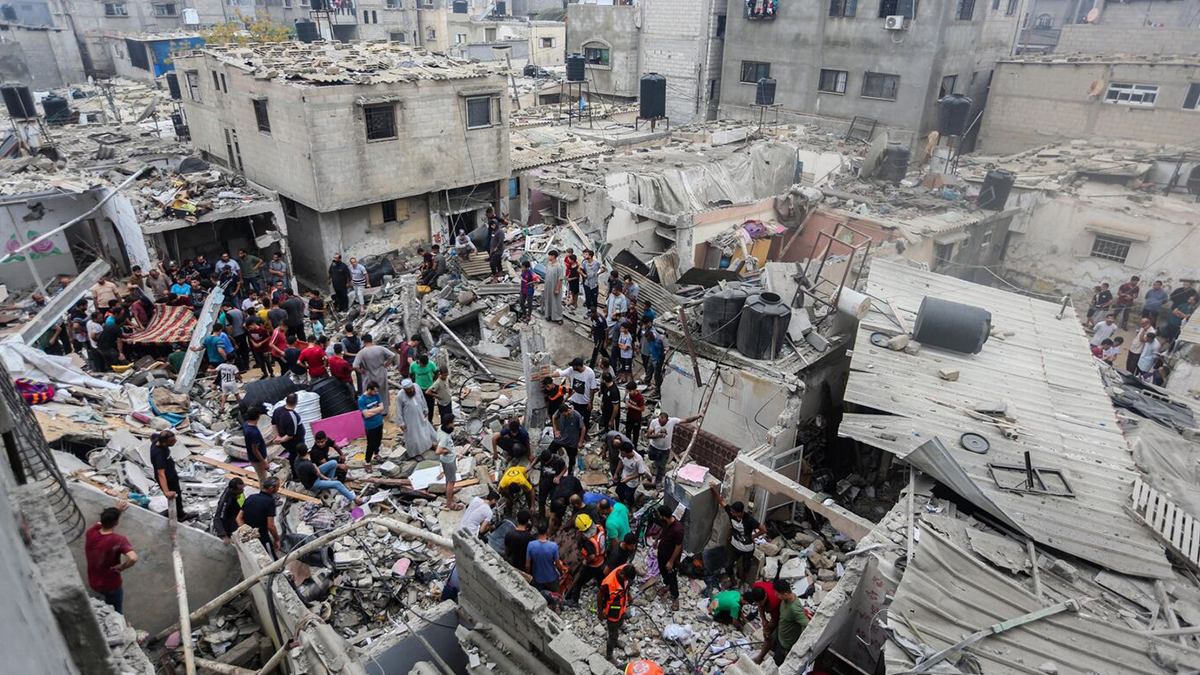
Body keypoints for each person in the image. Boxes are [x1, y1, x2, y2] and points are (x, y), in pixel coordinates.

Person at [85, 504, 137, 613]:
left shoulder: (91, 533)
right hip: (111, 585)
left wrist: (116, 510)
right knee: (117, 612)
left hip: (93, 582)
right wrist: (122, 567)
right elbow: (133, 558)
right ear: (117, 523)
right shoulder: (119, 540)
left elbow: (100, 524)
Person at [711, 484, 766, 584]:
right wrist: (715, 490)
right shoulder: (731, 513)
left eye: (734, 512)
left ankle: (743, 581)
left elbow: (763, 529)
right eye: (731, 511)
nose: (731, 513)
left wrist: (753, 536)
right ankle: (733, 581)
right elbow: (721, 501)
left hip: (747, 548)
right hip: (735, 545)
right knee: (728, 565)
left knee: (746, 566)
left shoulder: (749, 520)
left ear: (740, 513)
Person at [294, 446, 363, 505]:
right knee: (337, 483)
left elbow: (314, 467)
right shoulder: (306, 464)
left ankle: (330, 484)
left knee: (333, 463)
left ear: (298, 453)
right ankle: (355, 499)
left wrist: (315, 467)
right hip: (313, 484)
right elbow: (319, 474)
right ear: (306, 451)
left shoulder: (297, 459)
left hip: (311, 476)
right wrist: (326, 478)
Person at [647, 412, 701, 485]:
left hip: (665, 449)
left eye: (662, 422)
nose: (660, 423)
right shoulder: (654, 422)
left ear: (667, 420)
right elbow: (648, 435)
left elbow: (686, 420)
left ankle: (658, 482)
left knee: (661, 466)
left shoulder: (672, 421)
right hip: (654, 447)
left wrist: (698, 416)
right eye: (659, 421)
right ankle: (656, 461)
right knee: (651, 457)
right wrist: (657, 436)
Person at [599, 564, 637, 662]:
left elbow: (626, 587)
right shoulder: (608, 583)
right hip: (612, 612)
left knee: (620, 624)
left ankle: (614, 640)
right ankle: (609, 656)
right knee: (613, 635)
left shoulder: (626, 568)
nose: (627, 581)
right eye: (627, 579)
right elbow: (599, 597)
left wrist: (629, 595)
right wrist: (600, 612)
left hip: (621, 608)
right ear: (622, 575)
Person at [567, 514, 607, 602]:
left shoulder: (588, 541)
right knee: (601, 580)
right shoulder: (599, 528)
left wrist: (586, 561)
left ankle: (574, 601)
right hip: (602, 561)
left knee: (578, 581)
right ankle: (606, 598)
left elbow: (592, 556)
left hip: (592, 565)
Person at [353, 333, 396, 414]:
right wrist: (386, 364)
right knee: (383, 391)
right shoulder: (380, 348)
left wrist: (361, 371)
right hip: (381, 372)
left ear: (364, 341)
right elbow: (392, 355)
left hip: (368, 375)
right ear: (371, 340)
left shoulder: (361, 353)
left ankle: (372, 410)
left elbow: (355, 366)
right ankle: (384, 410)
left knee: (370, 393)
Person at [239, 477, 282, 556]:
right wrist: (277, 539)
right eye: (278, 487)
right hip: (263, 538)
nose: (278, 490)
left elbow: (238, 518)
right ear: (271, 488)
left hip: (249, 538)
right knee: (271, 560)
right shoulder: (270, 502)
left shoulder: (250, 497)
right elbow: (270, 525)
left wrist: (246, 532)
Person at [395, 378, 437, 459]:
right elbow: (398, 410)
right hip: (409, 419)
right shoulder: (400, 395)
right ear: (404, 389)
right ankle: (415, 454)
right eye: (408, 390)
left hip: (420, 414)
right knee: (413, 436)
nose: (411, 391)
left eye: (411, 389)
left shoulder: (417, 387)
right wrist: (401, 423)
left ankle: (428, 446)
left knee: (424, 431)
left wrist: (425, 409)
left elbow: (422, 398)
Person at [151, 430, 187, 519]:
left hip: (171, 474)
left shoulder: (156, 439)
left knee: (178, 494)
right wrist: (167, 491)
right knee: (175, 497)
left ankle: (177, 512)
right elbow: (161, 474)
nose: (175, 441)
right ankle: (180, 515)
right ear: (164, 443)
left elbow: (152, 435)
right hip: (168, 479)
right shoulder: (160, 454)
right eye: (172, 441)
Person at [656, 504, 685, 610]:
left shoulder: (678, 529)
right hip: (662, 552)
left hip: (671, 557)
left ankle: (675, 597)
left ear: (663, 516)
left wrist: (671, 561)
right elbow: (663, 530)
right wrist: (656, 540)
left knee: (672, 577)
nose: (658, 516)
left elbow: (678, 547)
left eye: (659, 515)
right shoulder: (665, 522)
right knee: (663, 571)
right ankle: (667, 585)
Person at [773, 581, 809, 665]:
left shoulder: (795, 609)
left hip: (785, 644)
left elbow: (807, 625)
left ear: (785, 594)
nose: (776, 595)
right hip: (780, 634)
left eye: (777, 594)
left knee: (776, 664)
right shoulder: (785, 600)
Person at [526, 521, 566, 593]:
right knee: (556, 595)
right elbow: (557, 564)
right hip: (551, 577)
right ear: (547, 531)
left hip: (538, 577)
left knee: (539, 595)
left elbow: (527, 565)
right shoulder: (553, 546)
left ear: (537, 531)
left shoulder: (531, 545)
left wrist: (529, 574)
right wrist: (562, 573)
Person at [559, 357, 598, 430]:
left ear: (578, 366)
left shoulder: (590, 372)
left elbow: (592, 388)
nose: (572, 367)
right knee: (577, 418)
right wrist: (547, 375)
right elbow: (561, 373)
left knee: (586, 418)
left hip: (585, 401)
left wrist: (590, 402)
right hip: (576, 400)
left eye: (574, 366)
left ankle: (585, 433)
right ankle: (578, 432)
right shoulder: (571, 370)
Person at [751, 579, 783, 664]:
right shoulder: (756, 586)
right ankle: (761, 656)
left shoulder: (774, 602)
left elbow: (775, 621)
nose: (760, 604)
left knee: (770, 634)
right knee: (767, 633)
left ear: (765, 595)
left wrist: (766, 628)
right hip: (771, 606)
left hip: (783, 613)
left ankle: (769, 657)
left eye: (762, 602)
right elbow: (760, 606)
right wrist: (763, 619)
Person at [271, 393, 306, 471]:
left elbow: (274, 424)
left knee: (293, 455)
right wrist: (280, 439)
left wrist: (278, 437)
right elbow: (290, 435)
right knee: (295, 457)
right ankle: (297, 474)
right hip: (294, 442)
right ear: (296, 402)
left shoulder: (278, 410)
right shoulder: (292, 416)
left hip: (284, 439)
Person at [355, 382, 386, 465]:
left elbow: (382, 408)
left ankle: (376, 454)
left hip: (379, 422)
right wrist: (377, 410)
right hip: (370, 426)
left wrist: (370, 411)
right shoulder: (362, 400)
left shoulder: (377, 395)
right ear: (369, 389)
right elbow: (366, 415)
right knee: (371, 443)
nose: (375, 393)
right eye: (374, 391)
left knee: (378, 440)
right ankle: (367, 461)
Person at [551, 402, 585, 475]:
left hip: (571, 442)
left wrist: (581, 441)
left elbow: (583, 427)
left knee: (572, 460)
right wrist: (555, 430)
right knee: (549, 452)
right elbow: (554, 417)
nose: (563, 416)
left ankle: (570, 474)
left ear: (568, 410)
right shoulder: (560, 412)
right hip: (560, 439)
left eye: (564, 414)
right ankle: (554, 468)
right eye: (562, 415)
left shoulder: (576, 415)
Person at [436, 418, 462, 511]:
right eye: (452, 422)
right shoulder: (445, 437)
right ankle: (449, 503)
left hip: (446, 459)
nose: (454, 424)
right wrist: (446, 450)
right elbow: (438, 451)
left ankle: (449, 491)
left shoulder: (440, 428)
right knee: (451, 481)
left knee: (448, 478)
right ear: (448, 424)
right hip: (449, 461)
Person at [505, 509, 537, 576]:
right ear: (528, 521)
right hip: (523, 569)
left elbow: (506, 552)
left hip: (511, 564)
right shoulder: (531, 539)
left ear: (517, 519)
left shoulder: (509, 534)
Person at [212, 478, 245, 544]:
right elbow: (217, 518)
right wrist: (223, 535)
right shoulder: (225, 500)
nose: (242, 491)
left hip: (235, 513)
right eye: (240, 489)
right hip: (228, 523)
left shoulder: (234, 493)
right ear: (232, 489)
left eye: (242, 488)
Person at [243, 408, 270, 485]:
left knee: (263, 476)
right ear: (258, 417)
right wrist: (263, 462)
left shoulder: (246, 424)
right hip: (257, 460)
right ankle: (264, 494)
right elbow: (255, 450)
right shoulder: (253, 432)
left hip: (253, 457)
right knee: (263, 479)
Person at [410, 354, 439, 421]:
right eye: (423, 365)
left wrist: (434, 383)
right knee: (420, 406)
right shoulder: (413, 365)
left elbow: (436, 373)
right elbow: (411, 375)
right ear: (419, 362)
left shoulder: (431, 364)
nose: (425, 366)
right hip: (419, 389)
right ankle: (421, 421)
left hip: (430, 388)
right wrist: (414, 385)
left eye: (426, 365)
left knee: (430, 406)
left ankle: (430, 421)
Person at [543, 250, 565, 323]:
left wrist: (557, 288)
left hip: (555, 287)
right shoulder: (548, 264)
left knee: (556, 302)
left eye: (549, 255)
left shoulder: (559, 266)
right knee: (548, 300)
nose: (548, 257)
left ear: (553, 256)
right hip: (548, 286)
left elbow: (560, 279)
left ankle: (558, 318)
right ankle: (549, 315)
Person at [624, 383, 646, 448]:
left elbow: (642, 409)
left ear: (635, 390)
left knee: (635, 433)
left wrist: (631, 406)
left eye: (630, 391)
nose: (629, 392)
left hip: (636, 418)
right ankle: (627, 445)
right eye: (628, 391)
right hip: (629, 416)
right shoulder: (629, 395)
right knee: (628, 431)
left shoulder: (640, 397)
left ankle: (634, 446)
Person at [488, 215, 506, 283]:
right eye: (491, 225)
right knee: (498, 262)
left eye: (493, 225)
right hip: (493, 250)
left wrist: (496, 248)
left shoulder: (500, 231)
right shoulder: (493, 231)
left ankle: (494, 275)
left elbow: (500, 241)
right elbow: (492, 240)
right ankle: (500, 271)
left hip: (498, 250)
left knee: (492, 263)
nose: (492, 226)